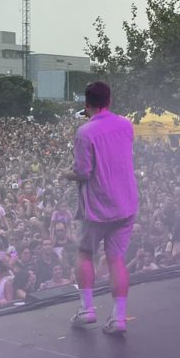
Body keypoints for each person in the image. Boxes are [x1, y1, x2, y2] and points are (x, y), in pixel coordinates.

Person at [65, 82, 138, 335]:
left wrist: (67, 174)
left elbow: (83, 172)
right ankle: (118, 318)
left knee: (85, 253)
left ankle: (87, 309)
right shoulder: (126, 125)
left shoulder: (85, 132)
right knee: (116, 259)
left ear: (87, 105)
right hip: (125, 203)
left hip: (97, 206)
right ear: (110, 100)